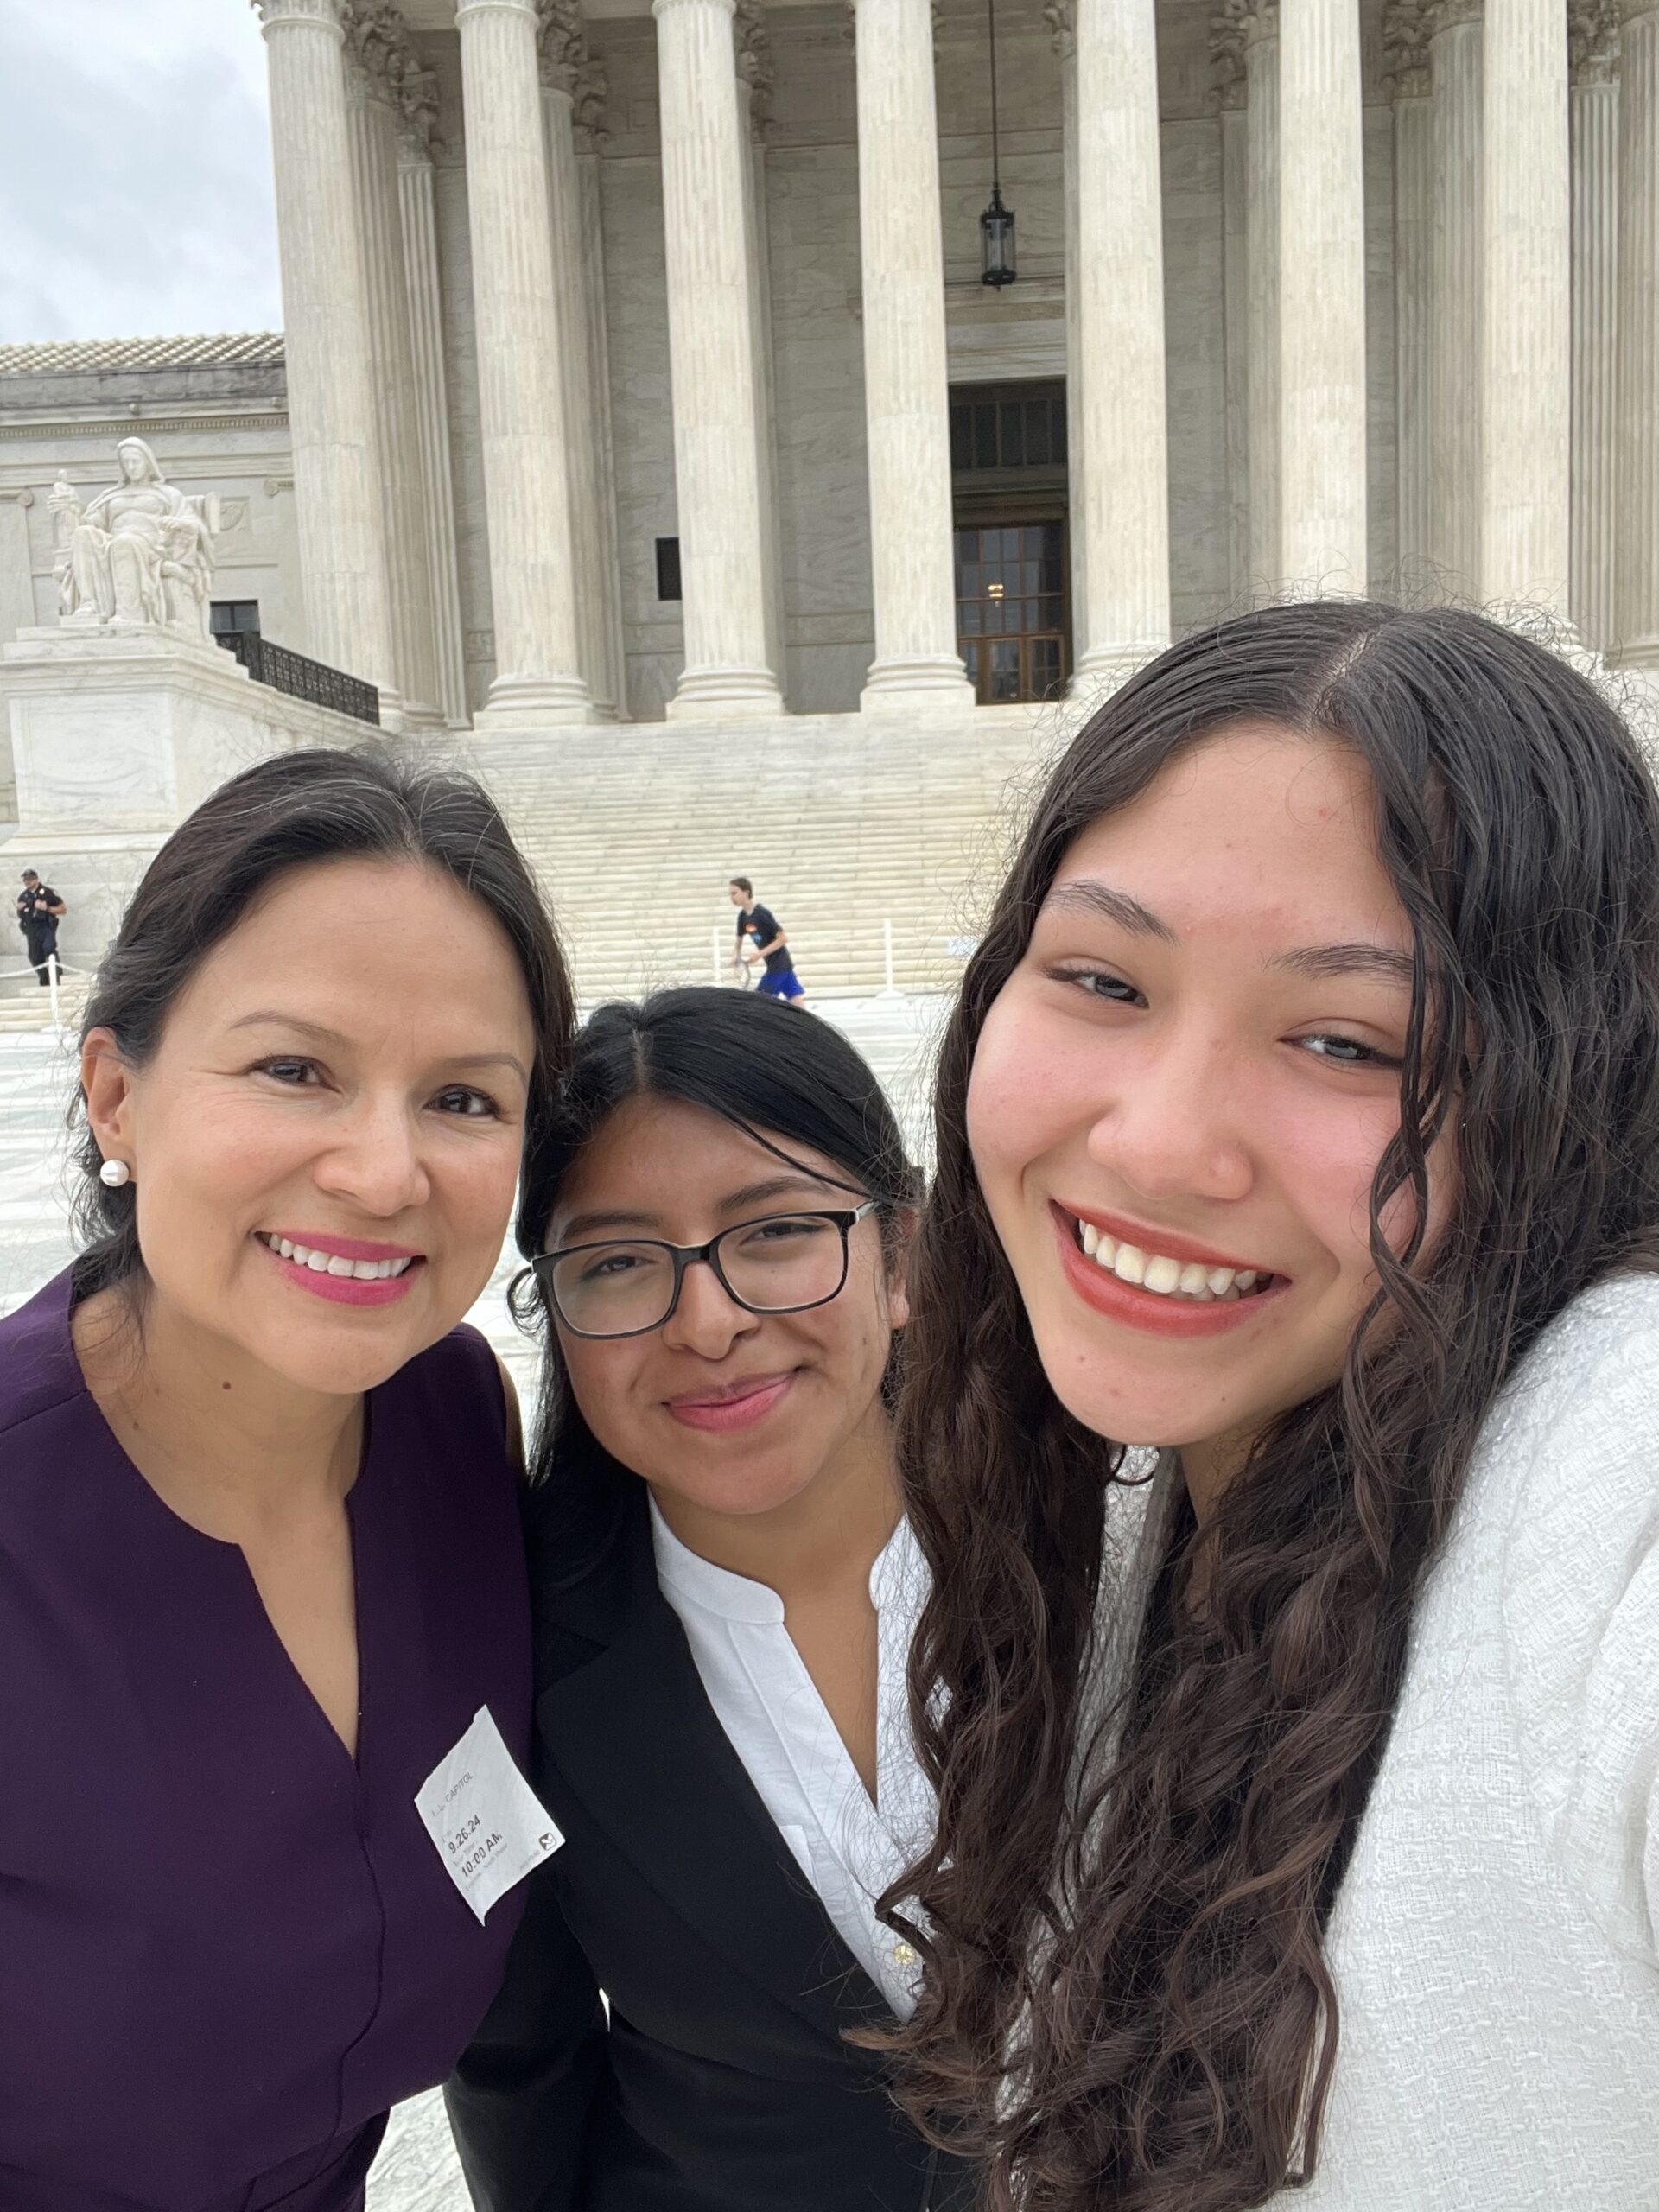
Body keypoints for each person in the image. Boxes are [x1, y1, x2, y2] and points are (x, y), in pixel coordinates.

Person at [877, 602, 1659, 2212]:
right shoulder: (1142, 1507)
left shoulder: (1611, 1490)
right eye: (1102, 977)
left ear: (1561, 1090)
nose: (1161, 1146)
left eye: (1347, 1041)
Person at [0, 747, 575, 2211]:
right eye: (294, 1070)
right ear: (117, 1097)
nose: (384, 1174)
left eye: (464, 1098)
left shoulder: (455, 1417)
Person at [446, 986, 975, 2211]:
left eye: (776, 1231)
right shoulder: (506, 1657)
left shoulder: (1105, 1546)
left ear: (900, 1256)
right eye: (619, 1263)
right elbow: (519, 2060)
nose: (711, 1322)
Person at [729, 874, 808, 1005]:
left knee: (760, 1001)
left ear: (746, 892)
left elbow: (783, 939)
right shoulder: (743, 917)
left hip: (779, 965)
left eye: (734, 893)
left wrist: (759, 954)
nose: (732, 898)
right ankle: (807, 1019)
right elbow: (738, 941)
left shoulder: (761, 913)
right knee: (795, 1000)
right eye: (730, 894)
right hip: (779, 966)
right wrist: (735, 957)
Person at [15, 867, 67, 985]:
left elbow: (63, 909)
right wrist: (19, 909)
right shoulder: (23, 896)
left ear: (36, 879)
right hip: (31, 929)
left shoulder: (48, 893)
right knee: (34, 956)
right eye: (25, 879)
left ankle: (58, 977)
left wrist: (47, 908)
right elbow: (22, 916)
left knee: (49, 948)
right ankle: (45, 980)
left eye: (30, 879)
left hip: (46, 926)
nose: (27, 882)